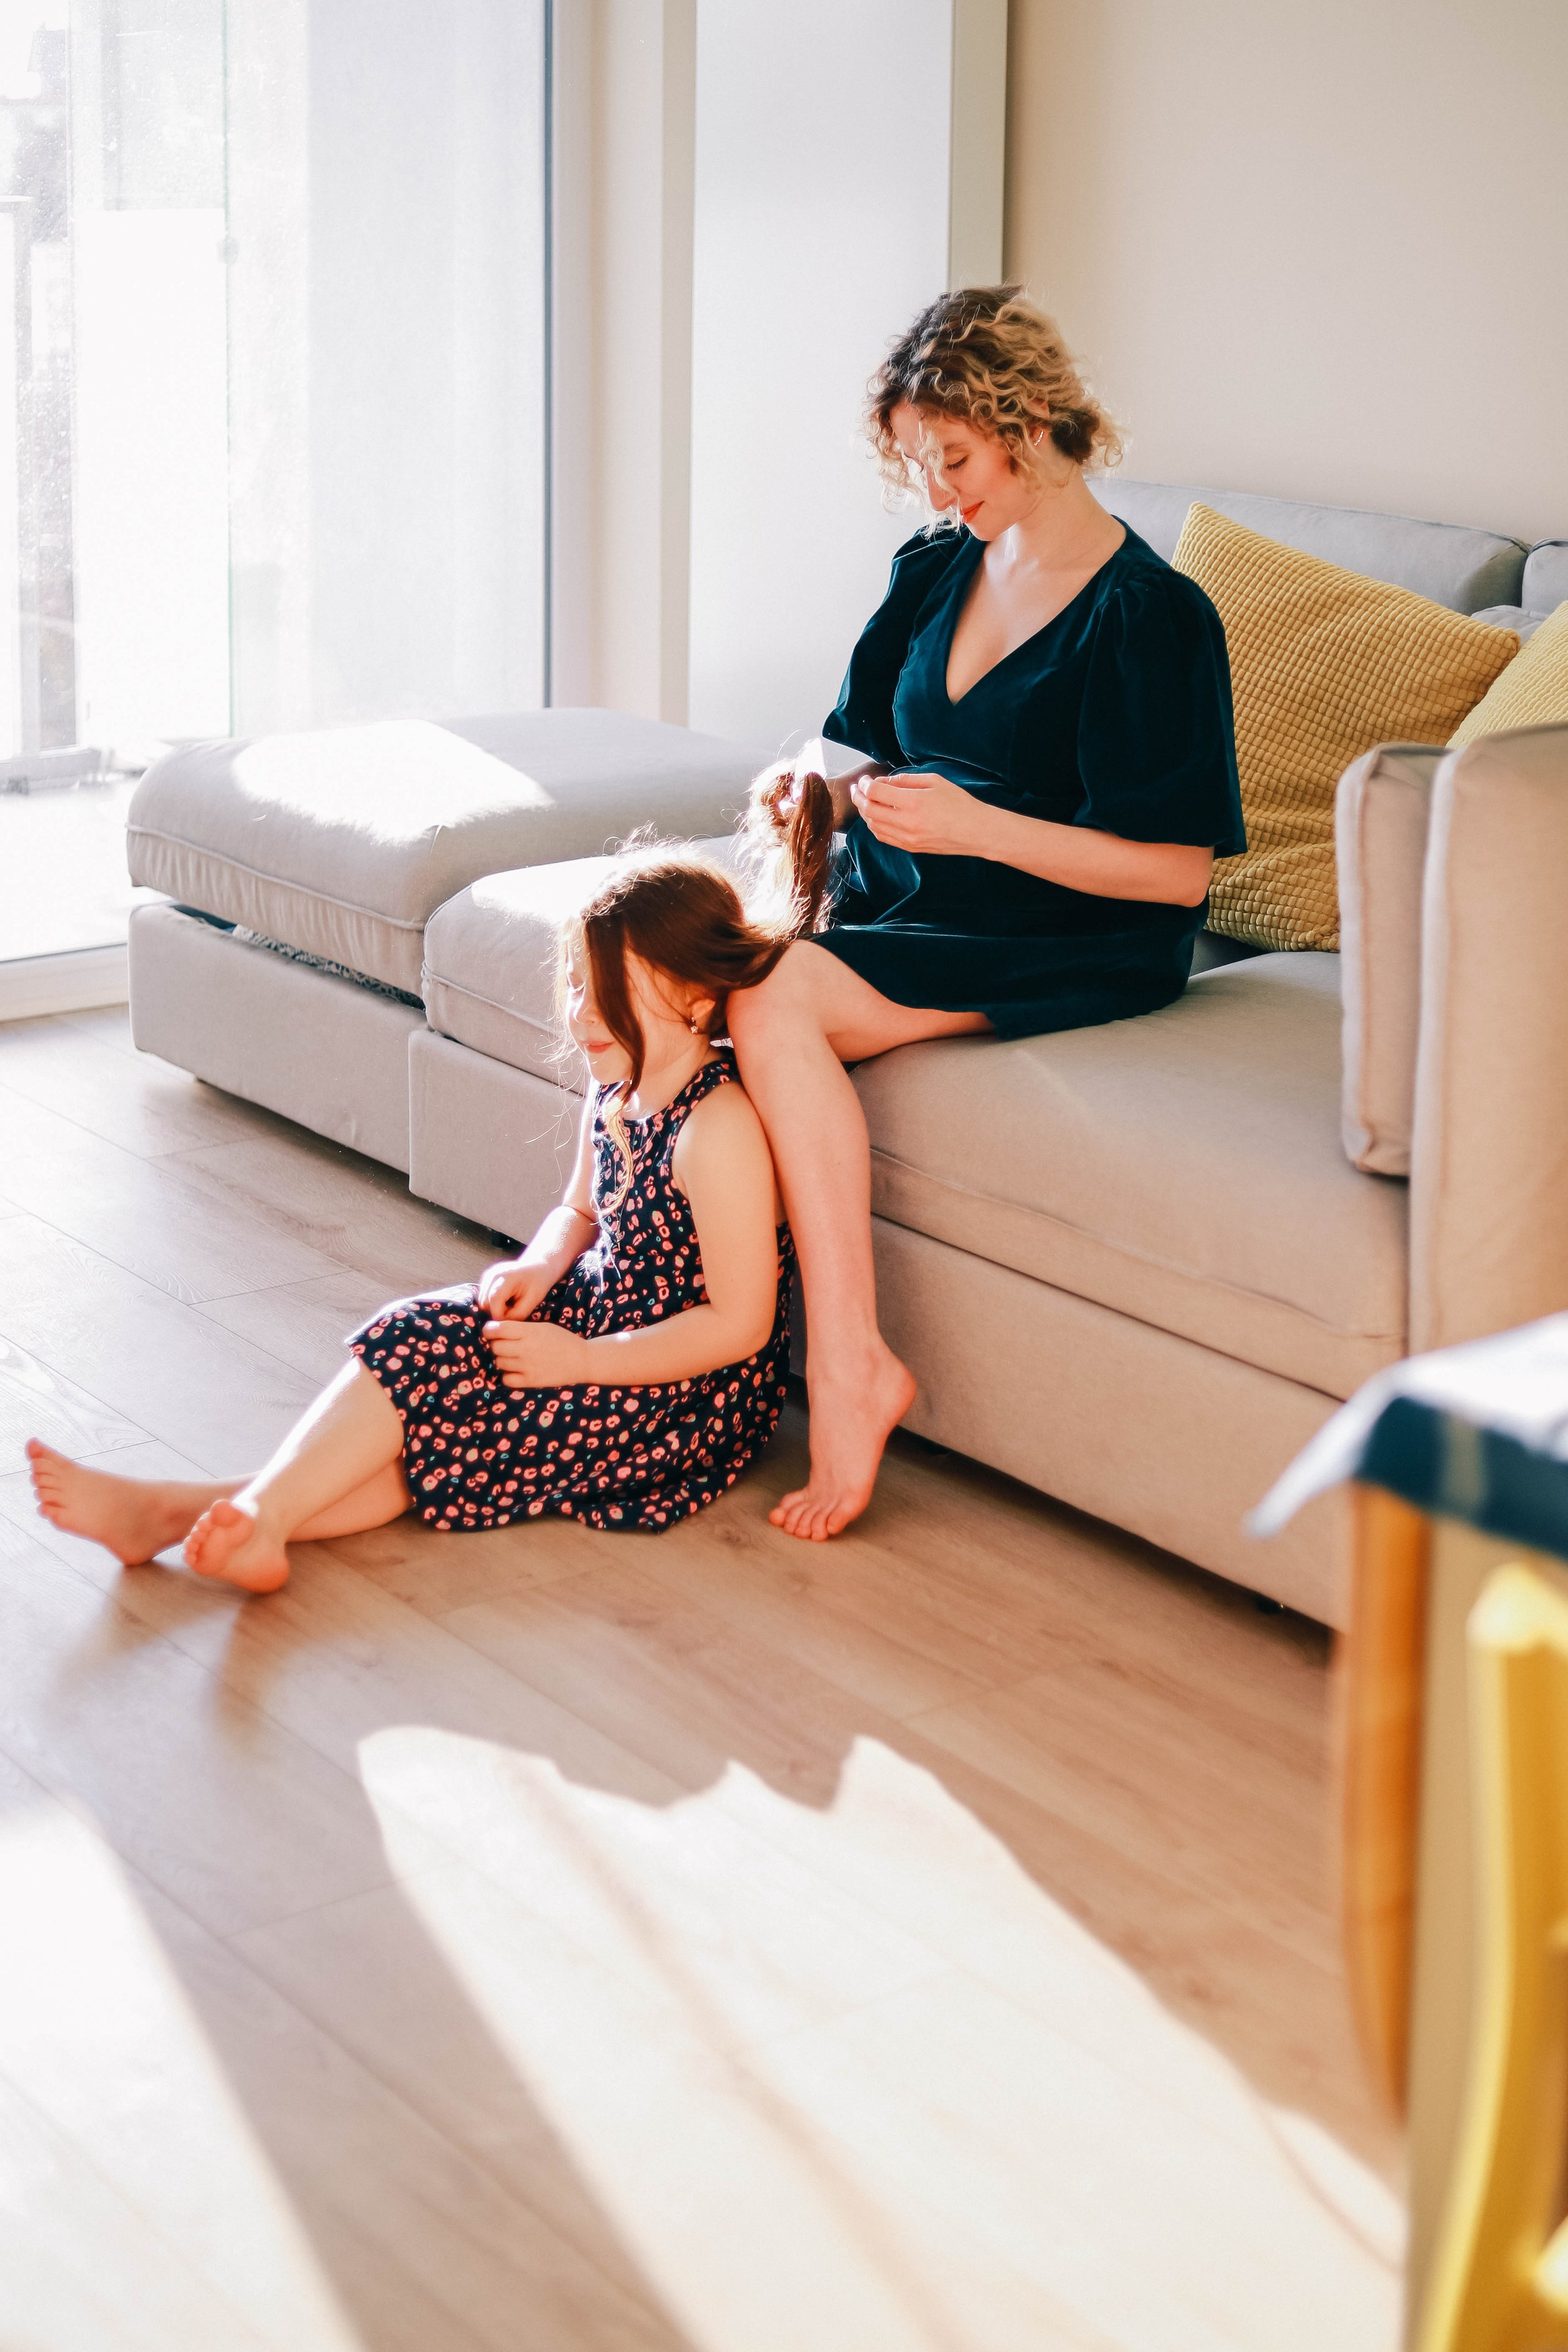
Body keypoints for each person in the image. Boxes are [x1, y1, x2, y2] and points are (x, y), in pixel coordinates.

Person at [729, 284, 1245, 1545]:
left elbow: (1177, 877)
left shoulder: (1152, 618)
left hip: (1073, 929)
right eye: (916, 466)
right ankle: (688, 1346)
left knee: (767, 995)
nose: (935, 491)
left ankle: (847, 1367)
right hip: (917, 892)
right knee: (679, 977)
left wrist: (978, 828)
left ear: (1028, 422)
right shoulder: (934, 565)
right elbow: (844, 731)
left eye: (950, 459)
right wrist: (820, 780)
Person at [26, 851, 796, 1594]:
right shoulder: (620, 1086)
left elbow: (739, 1325)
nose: (582, 1014)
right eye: (574, 986)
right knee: (411, 1331)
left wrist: (579, 1363)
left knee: (450, 1434)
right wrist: (538, 1264)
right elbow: (579, 1211)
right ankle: (248, 1516)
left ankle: (178, 1513)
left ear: (698, 1000)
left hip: (680, 1387)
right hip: (597, 1314)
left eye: (611, 990)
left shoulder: (716, 1127)